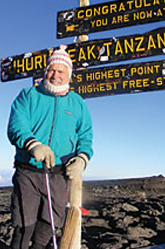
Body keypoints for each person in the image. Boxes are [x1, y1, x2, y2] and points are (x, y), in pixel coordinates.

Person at [7, 45, 93, 249]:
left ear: (69, 76)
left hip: (59, 175)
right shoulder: (28, 95)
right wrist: (33, 144)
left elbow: (86, 136)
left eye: (61, 71)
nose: (55, 75)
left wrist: (82, 158)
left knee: (48, 225)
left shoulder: (77, 103)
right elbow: (16, 125)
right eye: (51, 70)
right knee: (23, 226)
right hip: (28, 171)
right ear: (46, 71)